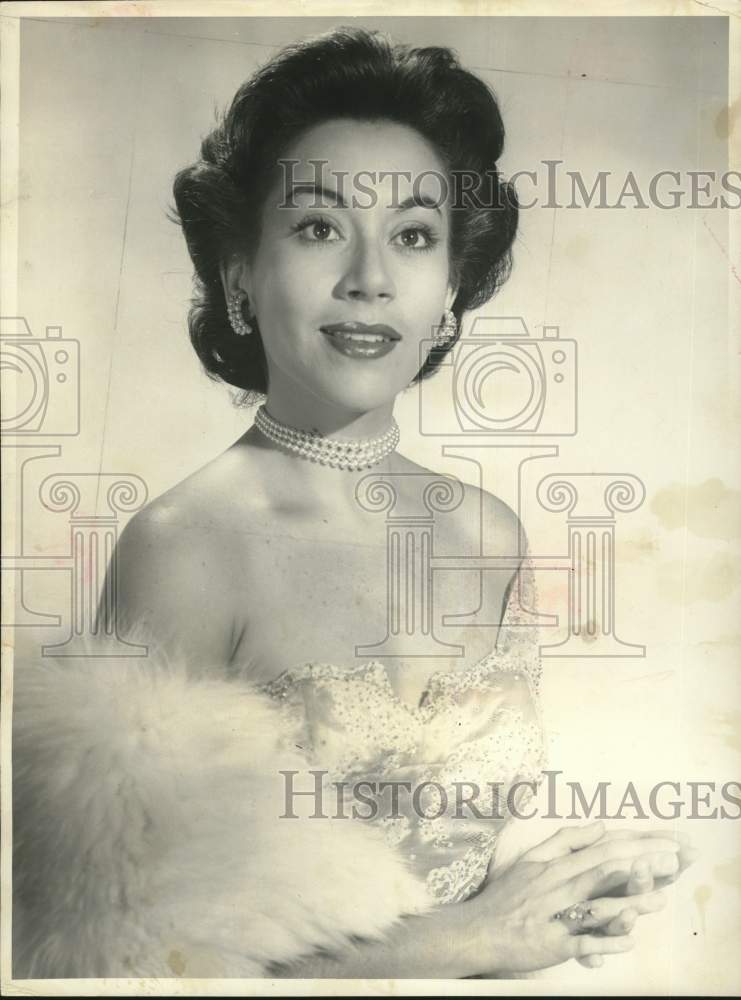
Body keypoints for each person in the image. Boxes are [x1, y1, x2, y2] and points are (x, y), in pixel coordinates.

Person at [12, 26, 695, 980]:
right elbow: (110, 957)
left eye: (412, 236)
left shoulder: (486, 534)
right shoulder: (186, 547)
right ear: (241, 277)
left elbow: (446, 859)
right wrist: (470, 938)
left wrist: (557, 889)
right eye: (319, 226)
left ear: (450, 289)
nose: (370, 279)